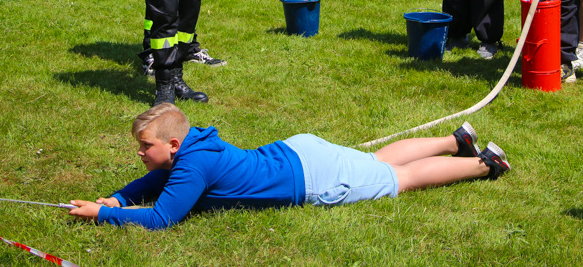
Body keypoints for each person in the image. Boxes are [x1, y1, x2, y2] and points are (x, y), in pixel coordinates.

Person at [67, 104, 510, 230]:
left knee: (399, 177)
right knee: (374, 161)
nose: (140, 154)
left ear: (173, 144)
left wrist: (103, 213)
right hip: (298, 151)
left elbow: (163, 218)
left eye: (144, 146)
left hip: (311, 177)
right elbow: (154, 179)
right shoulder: (196, 147)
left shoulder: (191, 166)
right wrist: (123, 197)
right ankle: (457, 140)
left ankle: (484, 164)